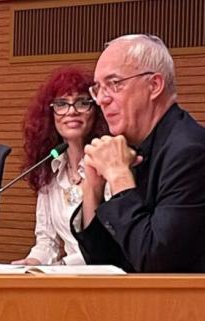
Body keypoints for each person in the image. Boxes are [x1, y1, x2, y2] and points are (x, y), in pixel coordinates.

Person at [73, 34, 205, 272]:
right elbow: (105, 263)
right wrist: (92, 190)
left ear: (154, 85)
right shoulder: (131, 145)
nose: (102, 99)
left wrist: (119, 177)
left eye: (114, 84)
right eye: (98, 88)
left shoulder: (191, 152)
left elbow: (157, 262)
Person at [13, 67, 108, 266]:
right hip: (66, 278)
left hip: (105, 276)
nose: (71, 111)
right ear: (50, 114)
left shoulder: (108, 163)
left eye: (82, 103)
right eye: (61, 104)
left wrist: (64, 265)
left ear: (97, 111)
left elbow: (112, 242)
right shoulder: (50, 168)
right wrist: (31, 262)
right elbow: (47, 241)